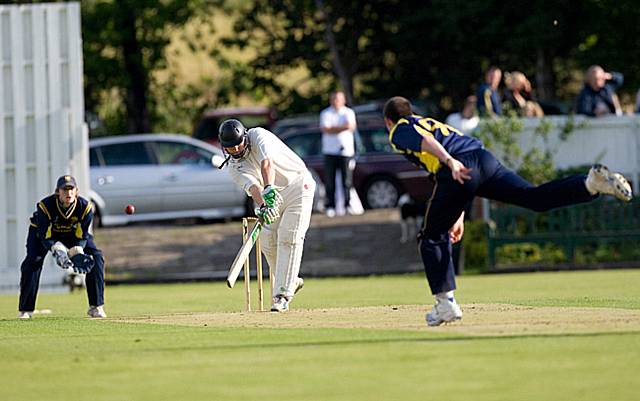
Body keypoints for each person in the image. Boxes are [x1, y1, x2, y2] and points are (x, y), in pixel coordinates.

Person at [383, 96, 632, 327]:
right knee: (534, 198)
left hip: (459, 166)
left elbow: (427, 144)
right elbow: (447, 174)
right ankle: (588, 185)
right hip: (484, 160)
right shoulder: (429, 122)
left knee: (431, 236)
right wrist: (458, 214)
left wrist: (450, 162)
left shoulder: (399, 129)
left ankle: (445, 304)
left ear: (388, 121)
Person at [218, 119, 315, 312]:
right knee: (268, 240)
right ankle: (291, 279)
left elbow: (266, 163)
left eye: (238, 143)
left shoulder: (258, 135)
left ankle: (282, 295)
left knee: (289, 236)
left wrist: (269, 188)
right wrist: (262, 205)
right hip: (271, 196)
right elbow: (253, 187)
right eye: (230, 147)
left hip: (298, 185)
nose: (236, 149)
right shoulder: (233, 167)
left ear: (244, 136)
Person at [18, 175, 106, 319]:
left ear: (76, 191)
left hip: (72, 233)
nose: (68, 193)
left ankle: (96, 307)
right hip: (43, 233)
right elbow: (45, 236)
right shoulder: (45, 206)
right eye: (64, 190)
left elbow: (82, 235)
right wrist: (57, 250)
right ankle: (26, 310)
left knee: (96, 257)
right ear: (57, 192)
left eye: (71, 189)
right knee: (33, 261)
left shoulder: (86, 208)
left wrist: (77, 251)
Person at [319, 90, 357, 217]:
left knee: (347, 180)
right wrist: (342, 127)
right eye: (334, 99)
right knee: (330, 180)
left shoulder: (348, 112)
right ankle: (331, 206)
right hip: (329, 152)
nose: (336, 101)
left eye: (339, 99)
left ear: (343, 100)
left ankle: (347, 205)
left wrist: (334, 128)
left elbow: (350, 126)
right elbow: (326, 129)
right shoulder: (325, 113)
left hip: (346, 151)